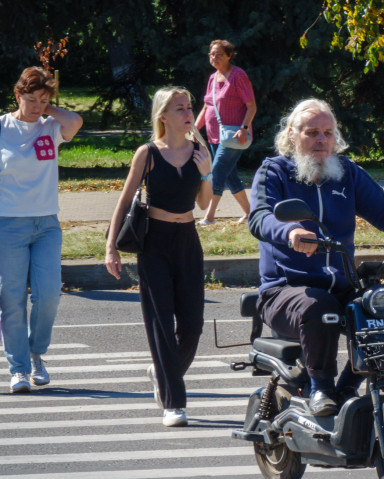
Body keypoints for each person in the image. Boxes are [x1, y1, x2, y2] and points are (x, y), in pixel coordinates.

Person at [248, 98, 384, 416]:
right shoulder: (275, 171)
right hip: (285, 289)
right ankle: (321, 387)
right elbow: (261, 216)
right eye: (312, 132)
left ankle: (350, 385)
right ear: (292, 135)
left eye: (327, 132)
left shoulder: (346, 172)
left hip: (342, 283)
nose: (321, 140)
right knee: (318, 307)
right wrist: (291, 232)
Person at [105, 87, 212, 427]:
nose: (187, 112)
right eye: (179, 108)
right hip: (154, 242)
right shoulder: (148, 153)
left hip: (187, 241)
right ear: (163, 116)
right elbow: (123, 203)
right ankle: (174, 404)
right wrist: (110, 247)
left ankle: (161, 372)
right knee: (161, 325)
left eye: (189, 106)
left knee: (193, 326)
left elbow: (204, 204)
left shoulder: (199, 150)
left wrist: (207, 171)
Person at [0, 67, 83, 393]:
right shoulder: (2, 127)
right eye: (31, 99)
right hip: (9, 224)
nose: (36, 106)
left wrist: (47, 108)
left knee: (49, 294)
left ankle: (37, 353)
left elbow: (75, 122)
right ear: (17, 95)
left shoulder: (51, 127)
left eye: (43, 100)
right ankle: (18, 368)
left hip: (47, 223)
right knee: (12, 298)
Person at [195, 39, 256, 225]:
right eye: (211, 54)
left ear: (229, 56)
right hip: (214, 136)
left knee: (217, 172)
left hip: (234, 137)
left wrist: (244, 128)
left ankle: (209, 216)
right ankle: (250, 214)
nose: (214, 57)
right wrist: (193, 130)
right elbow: (207, 108)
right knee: (231, 176)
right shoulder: (213, 78)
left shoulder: (238, 76)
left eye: (219, 54)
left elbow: (251, 106)